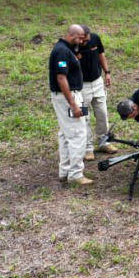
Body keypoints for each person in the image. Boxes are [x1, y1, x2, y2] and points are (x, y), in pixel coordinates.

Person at [49, 24, 91, 185]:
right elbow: (61, 78)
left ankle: (65, 170)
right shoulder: (62, 51)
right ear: (72, 35)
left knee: (66, 133)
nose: (82, 41)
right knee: (77, 133)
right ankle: (75, 173)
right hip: (69, 97)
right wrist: (73, 105)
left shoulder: (65, 49)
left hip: (70, 96)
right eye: (80, 38)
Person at [78, 25, 118, 161]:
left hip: (97, 82)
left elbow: (101, 54)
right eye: (82, 40)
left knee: (102, 113)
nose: (85, 42)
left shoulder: (94, 38)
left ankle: (103, 142)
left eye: (87, 40)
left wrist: (107, 72)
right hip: (81, 86)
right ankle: (87, 148)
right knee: (84, 117)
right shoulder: (71, 47)